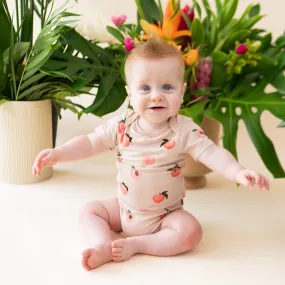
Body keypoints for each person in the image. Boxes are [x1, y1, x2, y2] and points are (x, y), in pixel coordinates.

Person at [32, 37, 270, 271]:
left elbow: (213, 153)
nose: (156, 95)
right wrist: (58, 153)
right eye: (145, 88)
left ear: (182, 91)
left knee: (191, 231)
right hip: (124, 210)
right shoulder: (123, 125)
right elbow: (89, 143)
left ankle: (137, 245)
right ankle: (102, 245)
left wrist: (237, 171)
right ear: (130, 92)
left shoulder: (184, 129)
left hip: (165, 217)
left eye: (167, 87)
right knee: (90, 210)